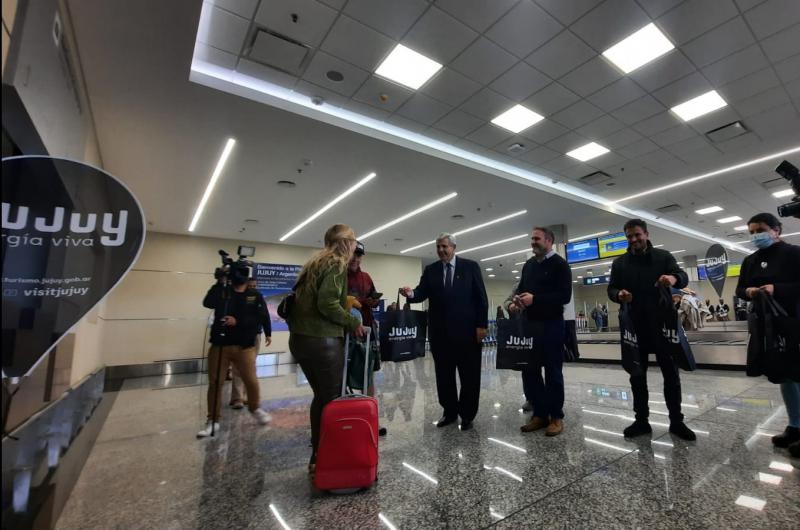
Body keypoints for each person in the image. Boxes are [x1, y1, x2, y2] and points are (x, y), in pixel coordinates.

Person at [287, 224, 368, 475]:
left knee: (321, 397)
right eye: (354, 241)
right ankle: (332, 458)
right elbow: (327, 303)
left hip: (301, 340)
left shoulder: (315, 262)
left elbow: (315, 299)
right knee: (333, 401)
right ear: (346, 243)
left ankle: (318, 454)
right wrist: (353, 321)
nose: (355, 246)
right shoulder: (336, 263)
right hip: (322, 342)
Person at [607, 218, 696, 441]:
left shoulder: (663, 257)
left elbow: (682, 276)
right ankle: (641, 421)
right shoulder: (620, 264)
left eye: (637, 235)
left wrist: (672, 278)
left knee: (671, 375)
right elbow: (611, 289)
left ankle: (677, 421)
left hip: (663, 324)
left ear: (646, 234)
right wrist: (619, 295)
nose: (634, 239)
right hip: (635, 327)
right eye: (629, 236)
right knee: (637, 375)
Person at [400, 233, 488, 431]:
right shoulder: (431, 270)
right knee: (444, 376)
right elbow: (421, 292)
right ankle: (449, 412)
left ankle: (467, 414)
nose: (441, 250)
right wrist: (410, 293)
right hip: (441, 335)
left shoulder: (470, 267)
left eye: (444, 246)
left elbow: (481, 298)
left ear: (454, 247)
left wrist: (481, 326)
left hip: (468, 334)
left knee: (470, 376)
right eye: (438, 247)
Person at [735, 213, 800, 458]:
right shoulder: (750, 260)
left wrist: (778, 288)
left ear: (776, 230)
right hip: (768, 324)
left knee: (798, 372)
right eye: (751, 232)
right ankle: (794, 426)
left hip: (794, 319)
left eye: (760, 230)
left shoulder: (794, 253)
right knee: (785, 375)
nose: (756, 235)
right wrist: (749, 291)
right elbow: (740, 288)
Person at [506, 227, 572, 436]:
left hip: (552, 324)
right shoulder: (529, 265)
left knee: (553, 372)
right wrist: (517, 303)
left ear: (549, 241)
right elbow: (522, 290)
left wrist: (536, 299)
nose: (533, 242)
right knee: (530, 370)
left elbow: (564, 296)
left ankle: (556, 416)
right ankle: (540, 414)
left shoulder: (560, 265)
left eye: (537, 238)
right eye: (532, 238)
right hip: (530, 325)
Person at [198, 264, 273, 438]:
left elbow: (258, 319)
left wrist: (237, 321)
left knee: (251, 380)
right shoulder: (223, 291)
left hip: (244, 346)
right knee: (215, 383)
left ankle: (255, 408)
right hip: (220, 345)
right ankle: (213, 421)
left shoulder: (255, 296)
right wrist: (219, 282)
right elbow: (207, 302)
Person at [346, 241, 387, 437]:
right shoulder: (337, 277)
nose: (355, 258)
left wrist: (374, 301)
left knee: (368, 374)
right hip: (345, 335)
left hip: (368, 332)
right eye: (352, 254)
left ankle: (371, 419)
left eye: (359, 255)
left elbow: (373, 299)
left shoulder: (366, 277)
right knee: (343, 376)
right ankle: (346, 419)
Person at [229, 277, 272, 409]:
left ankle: (248, 397)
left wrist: (268, 333)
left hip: (255, 335)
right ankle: (237, 398)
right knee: (237, 367)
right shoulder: (237, 297)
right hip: (238, 336)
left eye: (255, 286)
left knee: (250, 367)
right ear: (246, 285)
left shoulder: (258, 297)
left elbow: (265, 315)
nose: (253, 288)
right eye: (250, 285)